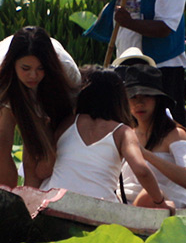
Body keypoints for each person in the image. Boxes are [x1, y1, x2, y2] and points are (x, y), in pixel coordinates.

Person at [0, 26, 80, 187]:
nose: (33, 75)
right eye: (25, 68)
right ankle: (10, 199)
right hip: (8, 94)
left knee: (41, 162)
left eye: (40, 68)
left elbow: (74, 118)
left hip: (48, 98)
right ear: (12, 64)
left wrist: (51, 150)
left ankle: (32, 204)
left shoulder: (66, 71)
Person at [38, 68, 172, 210]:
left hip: (54, 201)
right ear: (120, 99)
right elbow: (142, 171)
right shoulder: (124, 132)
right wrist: (160, 202)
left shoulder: (67, 123)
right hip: (99, 207)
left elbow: (43, 169)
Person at [121, 65, 186, 208]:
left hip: (164, 204)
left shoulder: (176, 135)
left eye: (146, 96)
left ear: (157, 100)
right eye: (133, 97)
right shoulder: (125, 133)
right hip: (125, 203)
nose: (139, 103)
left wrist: (144, 154)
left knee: (147, 195)